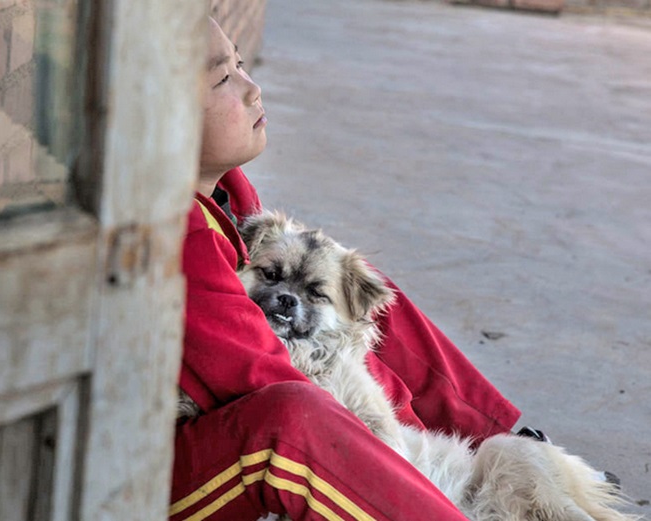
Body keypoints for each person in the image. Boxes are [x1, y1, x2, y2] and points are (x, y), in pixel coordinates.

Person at [170, 17, 521, 521]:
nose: (252, 90)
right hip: (167, 472)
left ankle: (496, 438)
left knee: (347, 289)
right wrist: (379, 425)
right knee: (295, 420)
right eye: (224, 79)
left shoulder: (228, 194)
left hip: (234, 424)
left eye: (242, 66)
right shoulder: (179, 232)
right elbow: (259, 374)